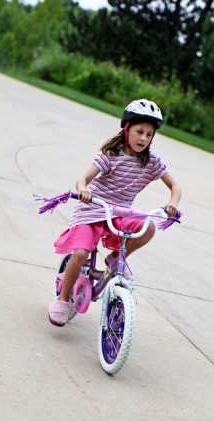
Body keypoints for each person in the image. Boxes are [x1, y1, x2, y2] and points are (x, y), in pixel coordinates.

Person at [48, 99, 182, 326]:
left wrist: (172, 204)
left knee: (147, 228)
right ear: (127, 129)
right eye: (139, 132)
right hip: (93, 208)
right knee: (80, 254)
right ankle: (62, 299)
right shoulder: (111, 154)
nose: (144, 139)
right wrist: (83, 191)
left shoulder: (151, 161)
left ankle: (115, 258)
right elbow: (84, 179)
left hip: (120, 212)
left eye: (149, 135)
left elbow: (175, 187)